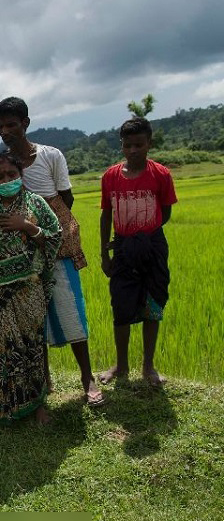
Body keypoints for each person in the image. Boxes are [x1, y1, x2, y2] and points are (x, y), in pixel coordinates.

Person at [0, 97, 102, 405]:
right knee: (33, 317)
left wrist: (41, 224)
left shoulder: (51, 156)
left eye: (11, 124)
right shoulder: (1, 166)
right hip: (20, 249)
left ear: (25, 123)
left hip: (56, 243)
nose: (5, 131)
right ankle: (44, 379)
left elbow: (65, 199)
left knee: (70, 307)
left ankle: (87, 377)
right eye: (0, 126)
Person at [0, 153, 62, 423]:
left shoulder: (36, 203)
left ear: (20, 175)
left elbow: (55, 238)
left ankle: (38, 406)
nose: (7, 180)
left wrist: (28, 226)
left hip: (29, 288)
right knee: (2, 348)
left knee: (32, 347)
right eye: (1, 177)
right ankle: (5, 406)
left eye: (11, 175)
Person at [99, 117, 177, 387]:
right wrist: (104, 253)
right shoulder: (110, 177)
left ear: (149, 144)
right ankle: (121, 366)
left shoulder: (161, 174)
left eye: (139, 145)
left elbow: (164, 213)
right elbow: (106, 215)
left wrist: (143, 236)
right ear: (122, 145)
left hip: (152, 245)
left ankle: (148, 366)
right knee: (120, 305)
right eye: (128, 145)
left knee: (153, 303)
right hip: (121, 247)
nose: (133, 150)